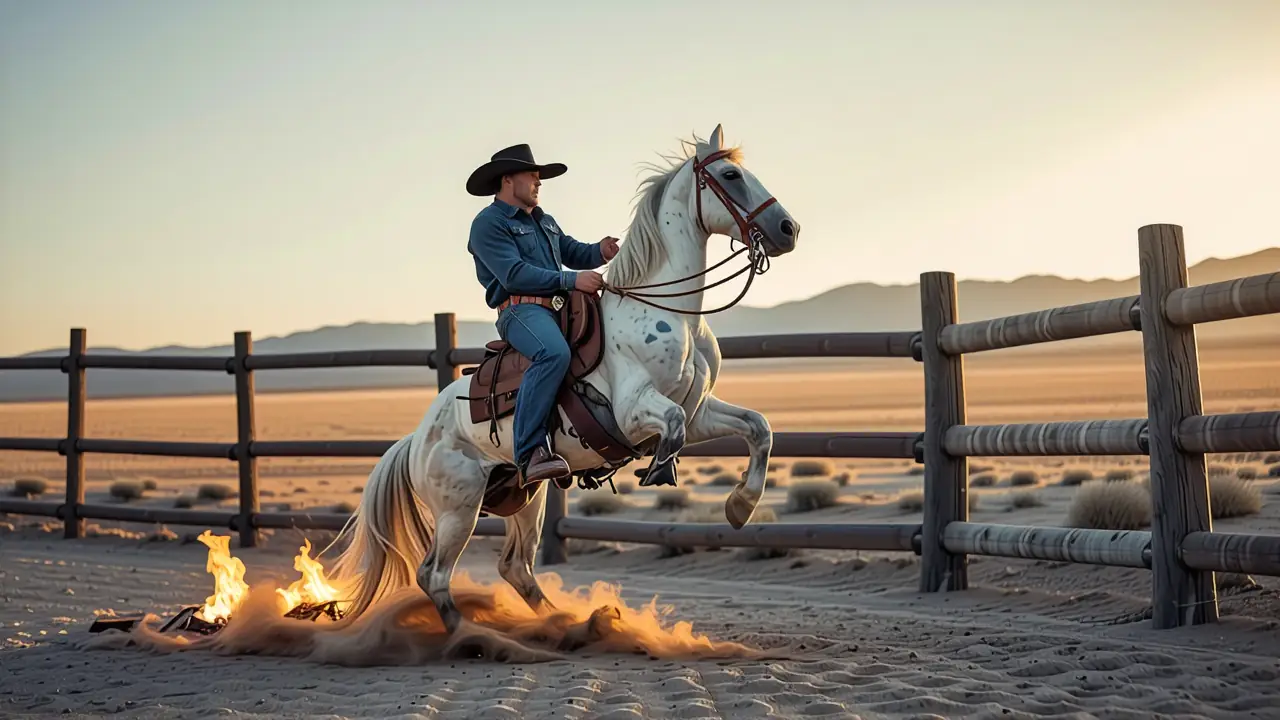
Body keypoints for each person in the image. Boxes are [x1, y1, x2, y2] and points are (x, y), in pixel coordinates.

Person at [465, 143, 620, 485]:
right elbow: (514, 274)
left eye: (539, 177)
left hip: (559, 309)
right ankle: (530, 452)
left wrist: (600, 251)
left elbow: (571, 251)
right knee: (553, 352)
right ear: (508, 180)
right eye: (532, 176)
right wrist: (570, 279)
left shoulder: (544, 221)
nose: (539, 183)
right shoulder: (487, 224)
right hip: (520, 311)